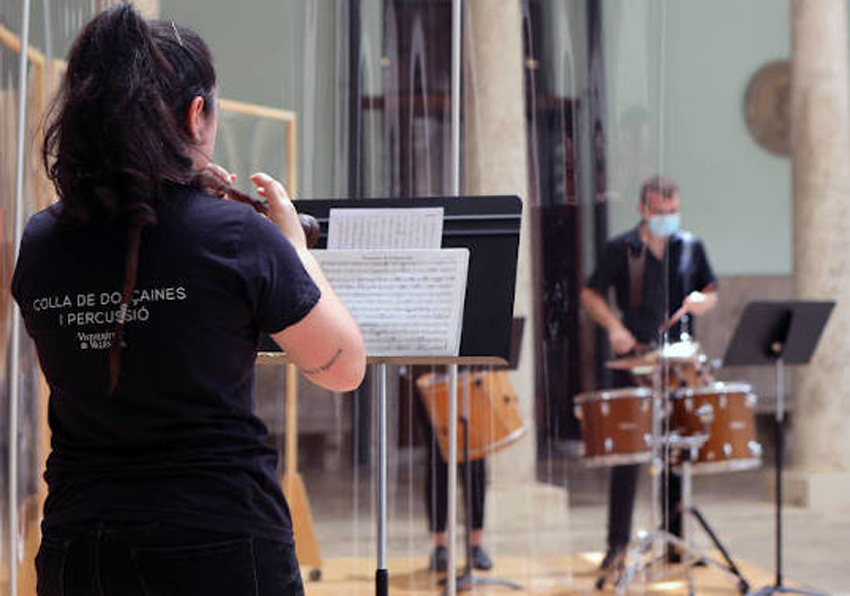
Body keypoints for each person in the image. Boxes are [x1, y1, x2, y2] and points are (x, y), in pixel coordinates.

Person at [12, 5, 365, 596]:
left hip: (81, 545)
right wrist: (291, 247)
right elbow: (343, 366)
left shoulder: (41, 240)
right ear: (196, 114)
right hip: (218, 540)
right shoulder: (237, 236)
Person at [579, 175, 718, 569]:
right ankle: (617, 546)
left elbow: (711, 293)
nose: (667, 218)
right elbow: (591, 293)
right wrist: (614, 327)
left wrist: (700, 303)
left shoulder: (690, 247)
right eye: (660, 212)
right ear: (643, 209)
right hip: (635, 359)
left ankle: (675, 543)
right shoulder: (620, 248)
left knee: (676, 450)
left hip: (677, 363)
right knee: (628, 456)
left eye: (673, 212)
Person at [411, 366, 493, 572]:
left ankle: (475, 545)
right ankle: (440, 546)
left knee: (475, 464)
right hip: (431, 377)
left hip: (469, 379)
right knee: (437, 464)